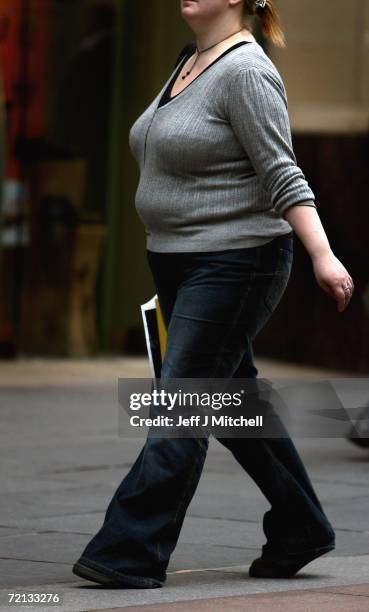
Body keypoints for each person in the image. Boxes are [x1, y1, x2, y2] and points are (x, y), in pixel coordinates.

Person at [72, 0, 354, 588]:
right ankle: (301, 523)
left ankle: (129, 548)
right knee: (231, 401)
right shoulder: (190, 61)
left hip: (236, 262)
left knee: (181, 403)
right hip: (177, 261)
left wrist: (322, 256)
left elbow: (284, 173)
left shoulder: (247, 71)